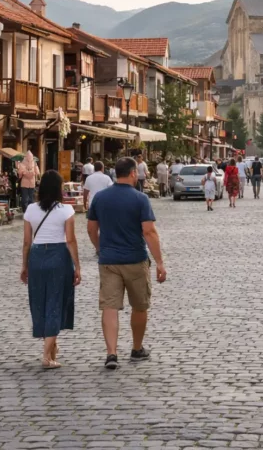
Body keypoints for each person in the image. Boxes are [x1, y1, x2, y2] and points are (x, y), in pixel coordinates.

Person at [86, 156, 166, 370]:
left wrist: (100, 248)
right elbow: (148, 231)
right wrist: (159, 262)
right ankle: (136, 349)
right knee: (140, 306)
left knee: (109, 307)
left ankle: (111, 353)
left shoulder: (100, 198)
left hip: (109, 261)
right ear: (133, 173)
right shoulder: (140, 199)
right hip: (135, 259)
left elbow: (91, 229)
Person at [20, 169, 80, 370]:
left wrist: (24, 265)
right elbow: (70, 240)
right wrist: (77, 266)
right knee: (56, 301)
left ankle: (51, 346)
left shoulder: (30, 210)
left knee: (40, 302)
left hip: (37, 256)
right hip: (59, 256)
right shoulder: (66, 211)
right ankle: (46, 356)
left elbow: (27, 242)